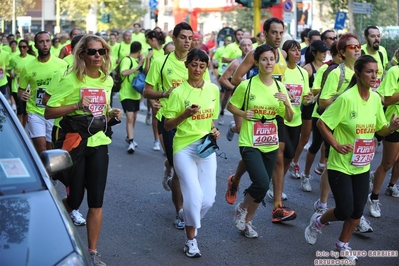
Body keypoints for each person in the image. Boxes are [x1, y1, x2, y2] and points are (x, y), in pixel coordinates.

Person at [304, 55, 399, 260]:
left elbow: (379, 130)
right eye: (369, 72)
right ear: (358, 73)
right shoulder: (346, 99)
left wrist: (391, 127)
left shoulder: (375, 99)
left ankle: (342, 244)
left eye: (376, 72)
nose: (374, 76)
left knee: (357, 212)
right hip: (341, 164)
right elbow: (322, 123)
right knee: (345, 209)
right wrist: (336, 145)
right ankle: (319, 221)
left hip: (362, 165)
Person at [45, 34, 122, 266]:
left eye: (102, 51)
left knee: (96, 200)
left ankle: (92, 252)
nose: (98, 55)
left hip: (99, 143)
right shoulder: (70, 80)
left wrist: (112, 114)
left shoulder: (107, 80)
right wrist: (77, 105)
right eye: (92, 52)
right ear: (82, 55)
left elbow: (103, 111)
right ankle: (54, 222)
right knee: (76, 198)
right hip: (76, 143)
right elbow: (49, 112)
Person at [143, 22, 211, 230]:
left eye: (190, 37)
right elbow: (147, 91)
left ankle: (169, 167)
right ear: (173, 38)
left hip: (195, 123)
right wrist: (165, 94)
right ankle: (180, 211)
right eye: (183, 37)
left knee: (194, 168)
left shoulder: (198, 62)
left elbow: (207, 92)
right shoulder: (160, 63)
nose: (187, 41)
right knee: (181, 171)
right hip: (170, 120)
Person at [228, 18, 295, 223]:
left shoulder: (282, 54)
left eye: (281, 32)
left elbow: (287, 95)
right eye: (274, 32)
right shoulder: (254, 54)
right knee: (258, 166)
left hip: (274, 112)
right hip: (253, 113)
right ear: (265, 33)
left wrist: (285, 97)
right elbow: (235, 80)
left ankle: (273, 207)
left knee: (280, 156)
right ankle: (237, 180)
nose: (278, 36)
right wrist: (252, 95)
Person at [163, 48, 220, 258]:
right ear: (187, 65)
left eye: (202, 66)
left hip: (205, 146)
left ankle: (187, 214)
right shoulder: (178, 92)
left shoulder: (213, 90)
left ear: (206, 68)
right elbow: (168, 125)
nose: (197, 69)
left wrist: (214, 129)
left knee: (209, 200)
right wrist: (185, 114)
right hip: (184, 148)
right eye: (194, 64)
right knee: (194, 197)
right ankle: (191, 240)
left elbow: (211, 118)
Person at [18, 31, 68, 155]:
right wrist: (22, 95)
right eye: (41, 42)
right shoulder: (28, 67)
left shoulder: (62, 65)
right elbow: (21, 90)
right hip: (35, 112)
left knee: (52, 150)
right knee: (41, 149)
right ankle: (42, 174)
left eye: (47, 41)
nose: (45, 45)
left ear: (50, 43)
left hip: (55, 113)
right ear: (35, 45)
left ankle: (51, 174)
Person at [291, 40, 328, 189]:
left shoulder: (327, 67)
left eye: (326, 51)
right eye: (322, 51)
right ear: (314, 53)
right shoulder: (307, 68)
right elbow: (302, 89)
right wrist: (317, 91)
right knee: (306, 138)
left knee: (324, 140)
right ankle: (295, 162)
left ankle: (321, 164)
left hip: (321, 108)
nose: (325, 54)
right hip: (308, 107)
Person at [368, 47, 399, 218]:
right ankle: (373, 197)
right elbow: (385, 98)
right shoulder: (395, 71)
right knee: (387, 163)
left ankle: (392, 185)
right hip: (394, 122)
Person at [280, 40, 313, 180]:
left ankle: (277, 182)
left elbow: (305, 97)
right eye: (293, 50)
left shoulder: (303, 72)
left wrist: (309, 98)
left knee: (289, 156)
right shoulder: (281, 71)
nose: (298, 53)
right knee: (282, 154)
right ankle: (275, 184)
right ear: (285, 53)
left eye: (299, 50)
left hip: (296, 118)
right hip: (280, 117)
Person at [218, 38, 253, 126]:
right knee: (239, 128)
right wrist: (234, 88)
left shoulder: (256, 62)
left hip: (252, 96)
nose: (247, 48)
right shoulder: (236, 63)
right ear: (239, 47)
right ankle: (232, 127)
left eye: (249, 45)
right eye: (244, 45)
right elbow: (222, 79)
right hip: (239, 96)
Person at [119, 41, 144, 153]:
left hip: (135, 94)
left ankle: (129, 136)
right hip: (126, 93)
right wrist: (138, 66)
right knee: (129, 118)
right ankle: (131, 141)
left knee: (133, 117)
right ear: (139, 51)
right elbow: (123, 73)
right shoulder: (126, 60)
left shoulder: (136, 61)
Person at [144, 30, 166, 151]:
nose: (147, 43)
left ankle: (167, 141)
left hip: (166, 88)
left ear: (153, 40)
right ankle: (157, 140)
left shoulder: (165, 51)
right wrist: (148, 59)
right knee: (156, 115)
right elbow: (146, 72)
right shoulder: (149, 52)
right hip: (153, 89)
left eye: (147, 40)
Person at [8, 39, 35, 126]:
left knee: (26, 112)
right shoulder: (14, 58)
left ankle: (24, 131)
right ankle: (21, 131)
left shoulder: (32, 59)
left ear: (27, 48)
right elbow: (9, 69)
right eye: (20, 47)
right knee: (20, 112)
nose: (22, 49)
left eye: (24, 47)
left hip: (29, 89)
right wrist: (11, 74)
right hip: (17, 88)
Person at [361, 26, 388, 92]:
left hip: (378, 94)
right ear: (366, 38)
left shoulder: (382, 51)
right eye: (373, 36)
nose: (376, 39)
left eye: (378, 36)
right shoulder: (359, 52)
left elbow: (384, 70)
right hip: (363, 93)